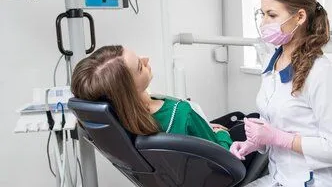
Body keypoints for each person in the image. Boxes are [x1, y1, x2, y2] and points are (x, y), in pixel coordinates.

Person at [207, 0, 332, 187]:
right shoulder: (273, 63)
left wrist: (279, 138)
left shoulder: (322, 73)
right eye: (261, 14)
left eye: (271, 15)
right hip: (281, 177)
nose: (263, 23)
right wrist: (256, 142)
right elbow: (274, 121)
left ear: (299, 17)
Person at [71, 45, 233, 150]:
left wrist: (201, 128)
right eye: (140, 67)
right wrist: (220, 134)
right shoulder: (181, 114)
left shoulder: (118, 124)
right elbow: (224, 156)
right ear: (129, 90)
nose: (146, 59)